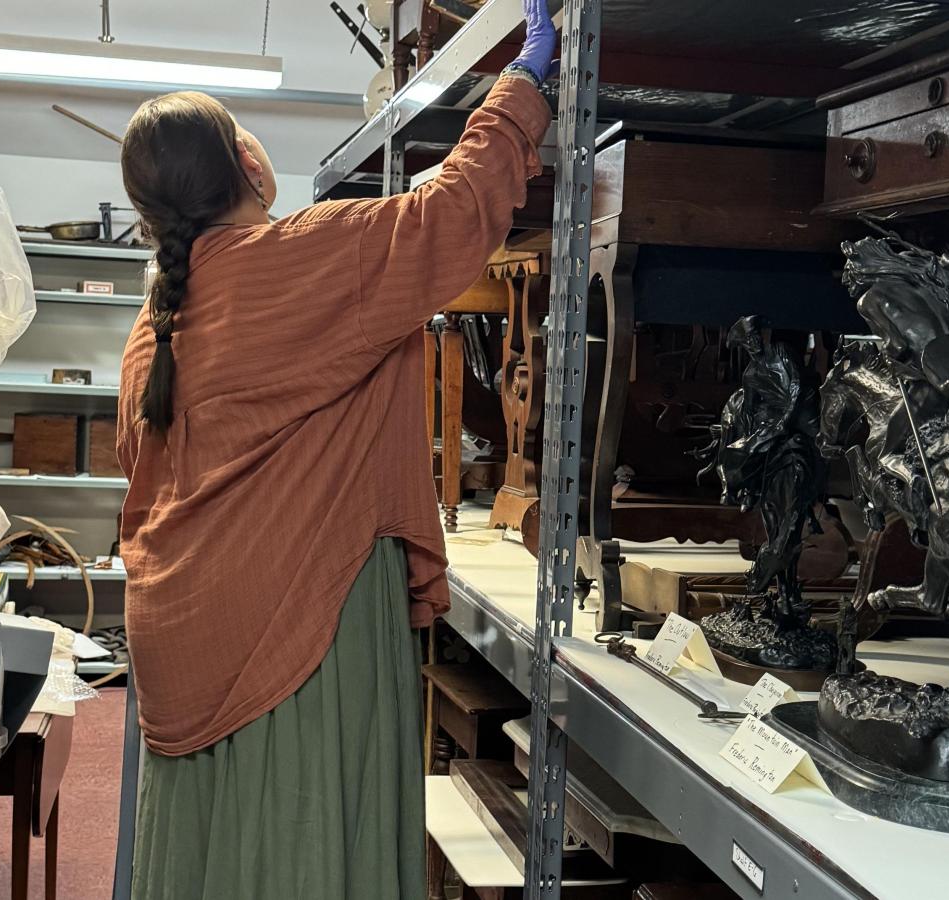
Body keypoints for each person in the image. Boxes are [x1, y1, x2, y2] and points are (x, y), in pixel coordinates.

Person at [113, 2, 555, 897]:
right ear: (247, 161)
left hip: (184, 637)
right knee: (306, 841)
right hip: (304, 627)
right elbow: (453, 211)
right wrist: (527, 80)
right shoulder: (305, 258)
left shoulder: (148, 334)